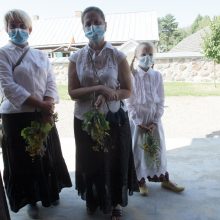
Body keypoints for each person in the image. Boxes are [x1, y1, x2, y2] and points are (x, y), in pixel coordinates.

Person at [0, 9, 72, 219]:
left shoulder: (40, 55)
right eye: (13, 26)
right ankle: (30, 199)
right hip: (16, 116)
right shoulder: (3, 54)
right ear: (6, 29)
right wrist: (40, 104)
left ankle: (50, 191)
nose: (18, 30)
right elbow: (7, 86)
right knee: (23, 160)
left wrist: (47, 104)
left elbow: (51, 81)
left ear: (29, 29)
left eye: (22, 26)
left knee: (47, 155)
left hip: (42, 113)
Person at [68, 6, 137, 220]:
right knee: (90, 162)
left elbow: (127, 90)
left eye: (96, 22)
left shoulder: (118, 56)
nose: (92, 26)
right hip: (85, 120)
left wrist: (109, 95)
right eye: (87, 23)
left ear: (105, 25)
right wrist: (98, 89)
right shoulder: (75, 58)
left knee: (114, 161)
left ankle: (115, 202)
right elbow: (72, 92)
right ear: (83, 28)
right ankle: (94, 198)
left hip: (113, 119)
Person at [126, 42, 184, 196]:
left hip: (153, 121)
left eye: (150, 54)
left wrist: (155, 121)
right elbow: (129, 102)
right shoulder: (132, 76)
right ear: (136, 57)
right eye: (143, 54)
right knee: (138, 150)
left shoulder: (157, 76)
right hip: (137, 122)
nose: (147, 57)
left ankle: (163, 178)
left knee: (157, 149)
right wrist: (138, 122)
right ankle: (140, 181)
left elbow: (161, 101)